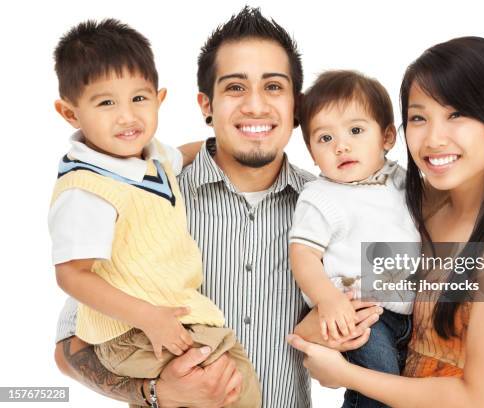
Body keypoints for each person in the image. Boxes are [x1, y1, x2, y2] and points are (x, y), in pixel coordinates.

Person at [53, 7, 381, 407]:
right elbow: (69, 349)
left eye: (274, 87)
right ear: (205, 104)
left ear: (297, 106)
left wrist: (328, 336)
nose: (256, 106)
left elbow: (355, 355)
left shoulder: (332, 210)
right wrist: (157, 392)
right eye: (235, 88)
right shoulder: (150, 198)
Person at [288, 36, 484, 407]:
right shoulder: (414, 207)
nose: (433, 138)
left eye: (456, 114)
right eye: (418, 117)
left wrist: (346, 375)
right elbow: (334, 312)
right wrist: (322, 329)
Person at [49, 19, 261, 407]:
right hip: (135, 327)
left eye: (139, 99)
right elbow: (71, 276)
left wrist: (234, 138)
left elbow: (183, 154)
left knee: (235, 381)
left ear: (160, 98)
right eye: (106, 102)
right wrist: (148, 319)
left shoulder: (152, 158)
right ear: (70, 113)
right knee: (228, 387)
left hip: (177, 321)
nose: (127, 116)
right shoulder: (88, 188)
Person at [289, 70, 419, 407]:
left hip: (412, 313)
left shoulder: (400, 179)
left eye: (356, 131)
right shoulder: (321, 196)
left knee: (408, 390)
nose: (341, 146)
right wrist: (329, 300)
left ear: (387, 136)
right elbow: (302, 255)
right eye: (325, 139)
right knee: (378, 390)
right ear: (311, 151)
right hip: (360, 313)